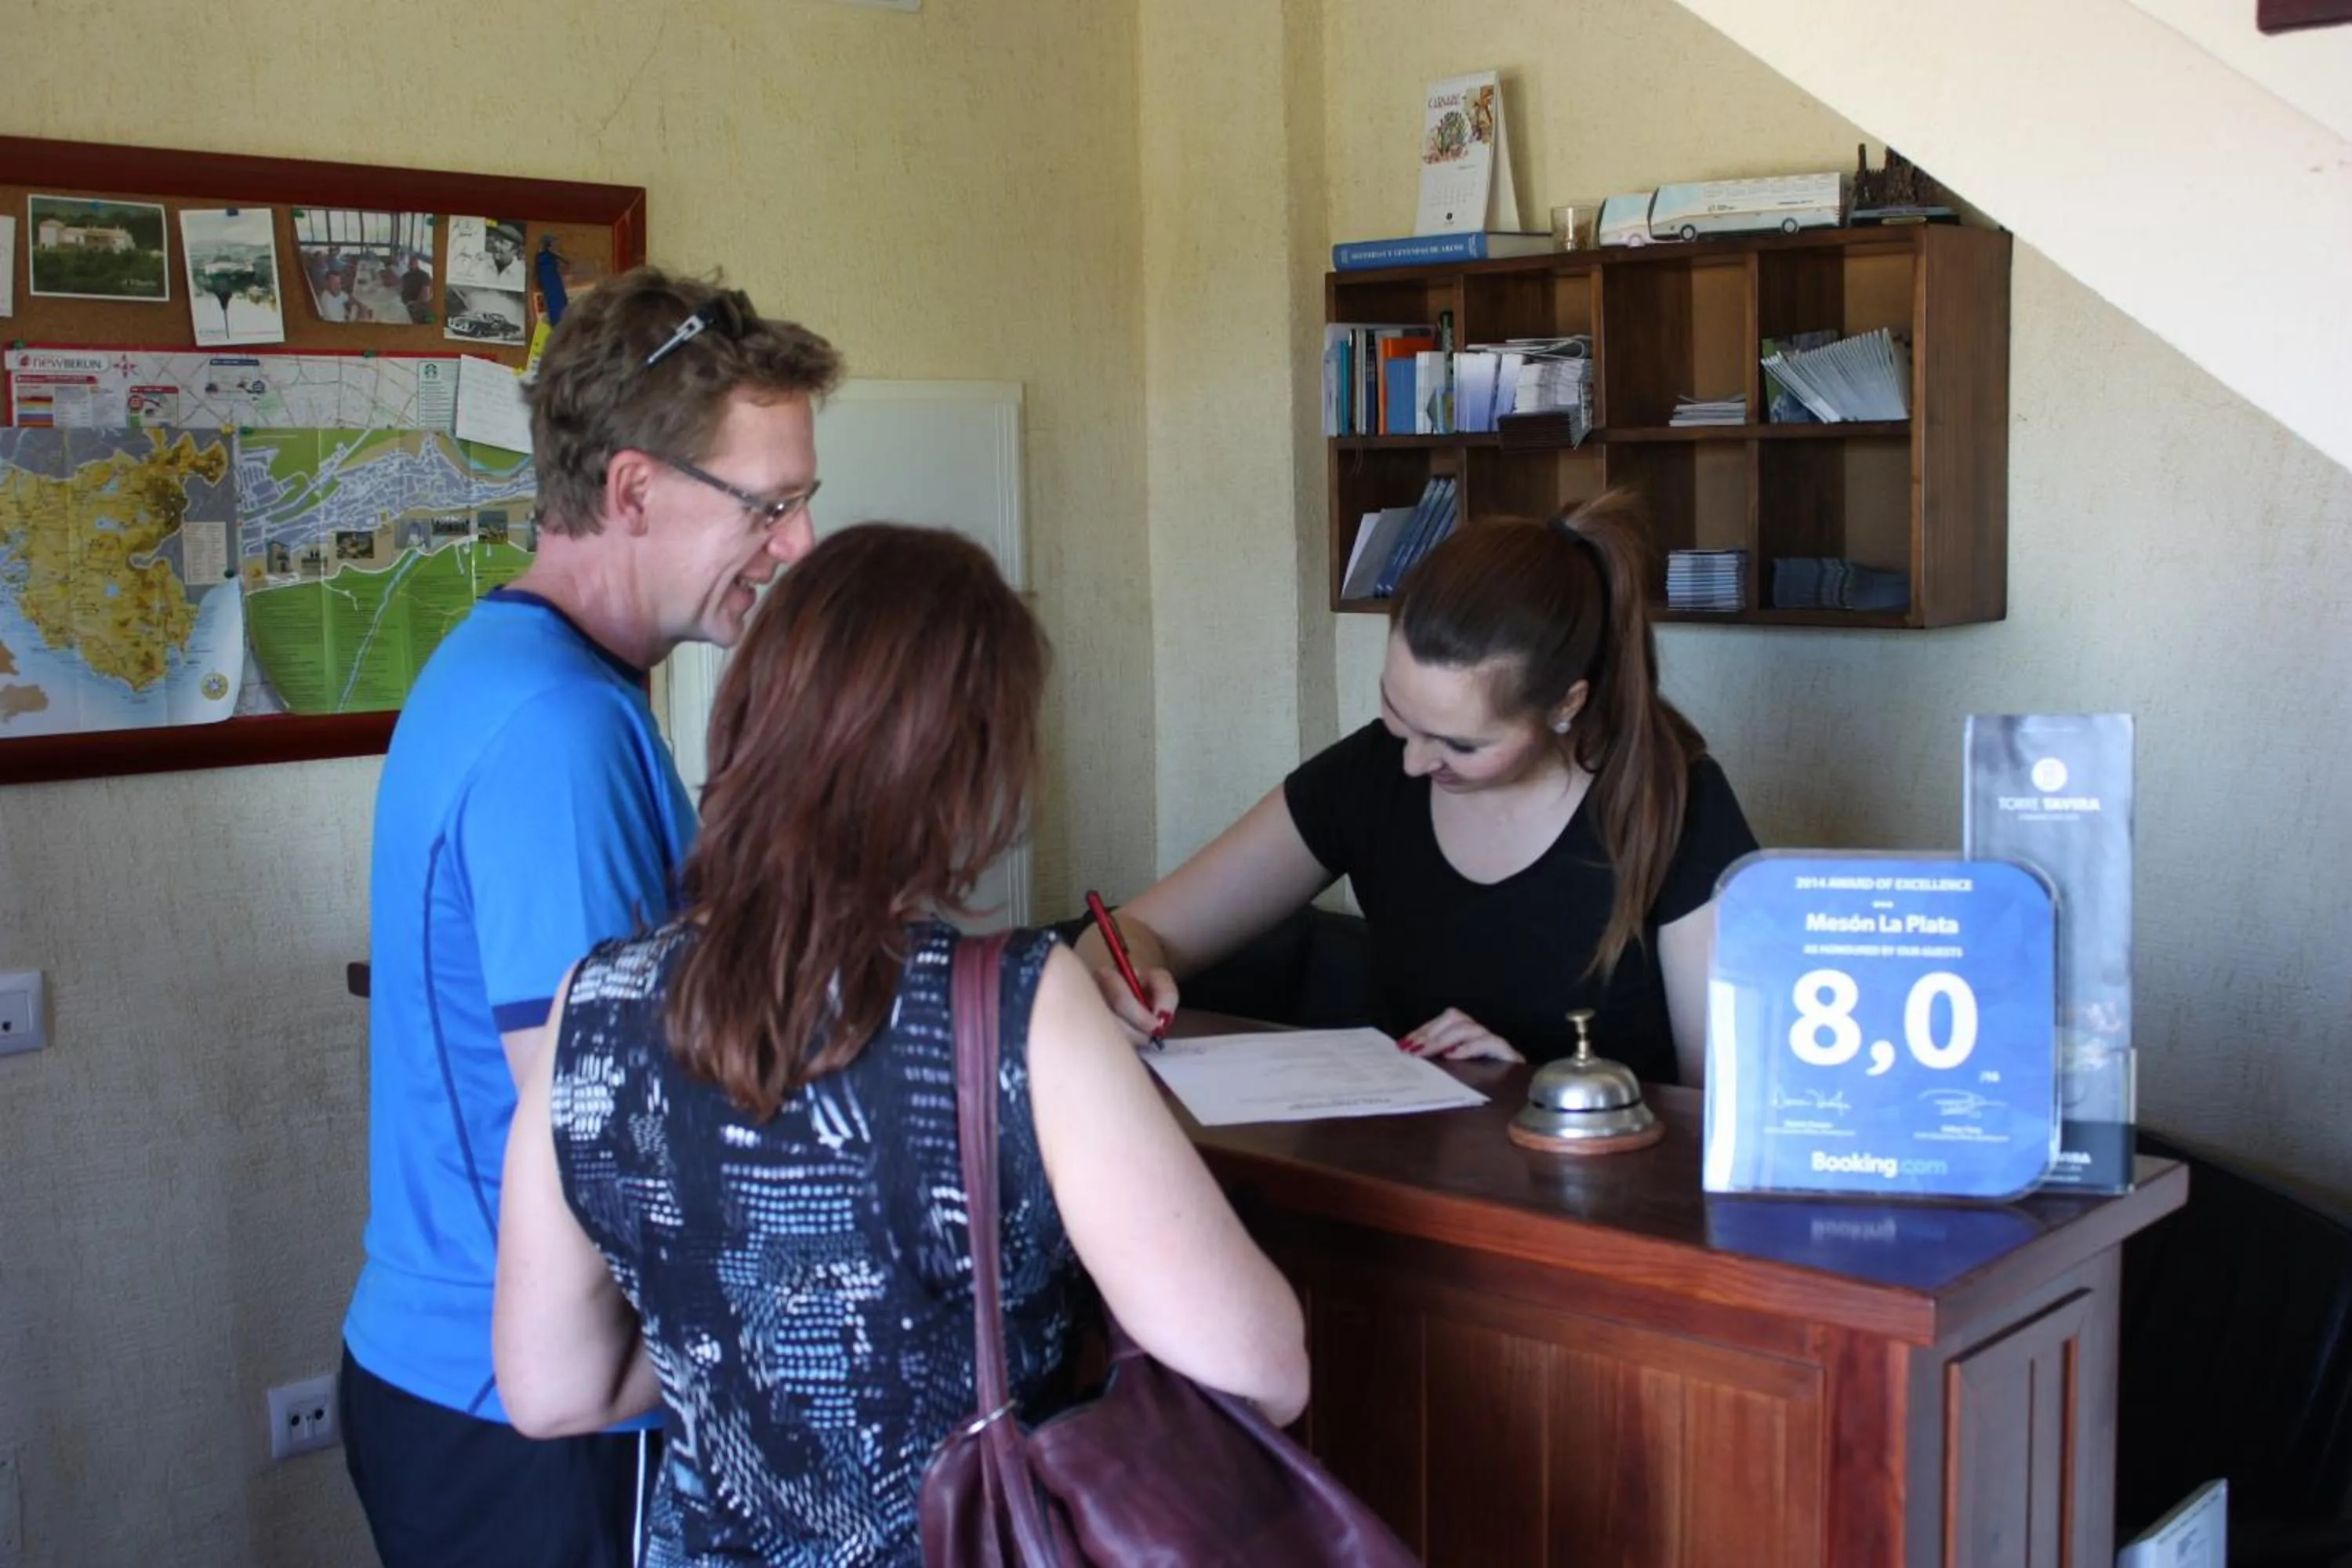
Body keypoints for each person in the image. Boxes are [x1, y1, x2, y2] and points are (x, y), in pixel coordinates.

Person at [492, 523, 1308, 1565]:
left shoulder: (589, 1006)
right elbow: (1261, 1371)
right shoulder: (1020, 1009)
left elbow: (554, 1388)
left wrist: (753, 1338)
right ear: (968, 776)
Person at [340, 267, 842, 1568]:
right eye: (770, 508)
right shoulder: (560, 731)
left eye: (805, 504)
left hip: (464, 1381)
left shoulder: (512, 664)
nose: (796, 547)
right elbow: (607, 1131)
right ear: (631, 491)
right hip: (525, 1411)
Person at [1079, 491, 1759, 1085]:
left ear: (1565, 705)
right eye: (1397, 716)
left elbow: (1725, 1120)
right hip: (1407, 1192)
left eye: (1462, 745)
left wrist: (1535, 1095)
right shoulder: (1373, 774)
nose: (1413, 763)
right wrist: (1120, 979)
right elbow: (1128, 932)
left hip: (1600, 1212)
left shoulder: (1678, 807)